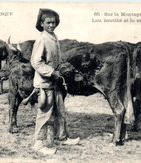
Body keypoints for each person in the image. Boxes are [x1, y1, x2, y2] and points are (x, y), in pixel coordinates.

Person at [31, 8, 80, 155]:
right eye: (48, 22)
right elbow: (36, 62)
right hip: (45, 83)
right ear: (41, 23)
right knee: (44, 114)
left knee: (60, 111)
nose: (52, 25)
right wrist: (52, 72)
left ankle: (61, 137)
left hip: (56, 82)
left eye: (54, 22)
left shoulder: (53, 37)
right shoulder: (42, 39)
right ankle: (38, 144)